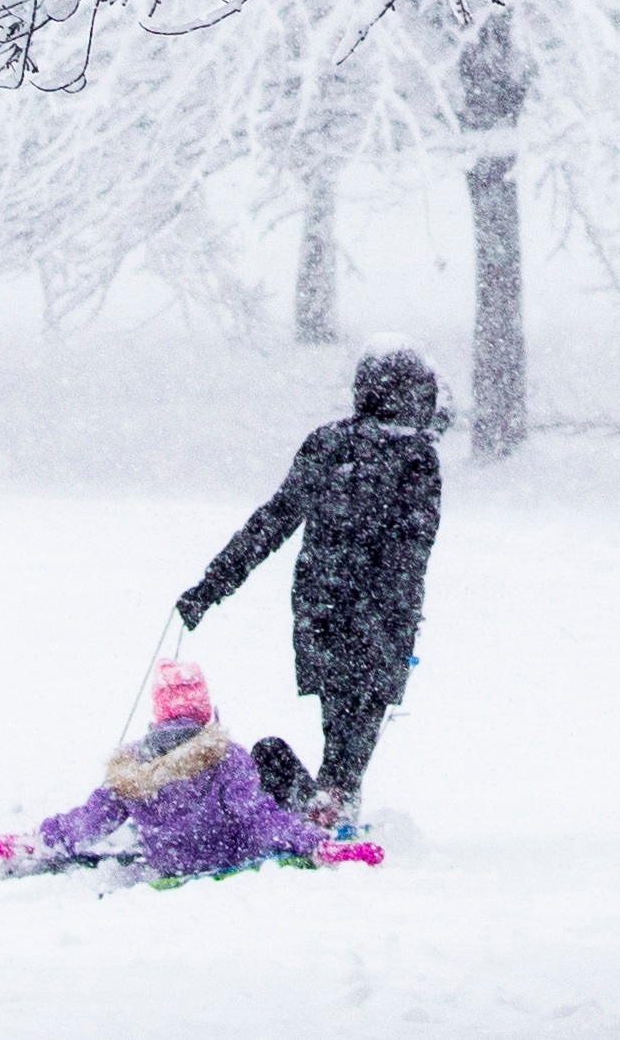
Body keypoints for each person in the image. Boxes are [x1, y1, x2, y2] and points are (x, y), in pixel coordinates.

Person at [179, 344, 442, 814]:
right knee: (356, 723)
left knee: (341, 714)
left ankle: (324, 799)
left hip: (322, 605)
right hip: (380, 611)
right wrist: (394, 609)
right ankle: (332, 804)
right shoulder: (416, 458)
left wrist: (213, 585)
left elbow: (275, 519)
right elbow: (414, 546)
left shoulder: (329, 443)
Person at [0, 665, 335, 879]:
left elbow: (92, 820)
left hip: (170, 861)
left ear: (158, 712)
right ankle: (317, 816)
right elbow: (257, 819)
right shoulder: (227, 758)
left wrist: (38, 841)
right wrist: (312, 843)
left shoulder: (132, 768)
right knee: (272, 750)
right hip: (227, 854)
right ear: (205, 708)